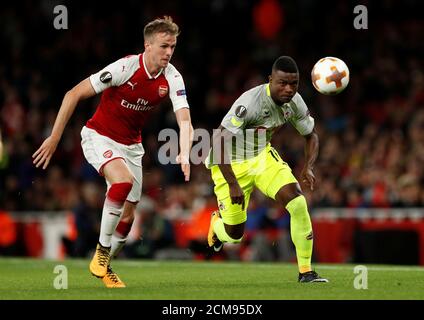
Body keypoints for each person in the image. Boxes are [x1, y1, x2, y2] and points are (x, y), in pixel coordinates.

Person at [33, 16, 193, 288]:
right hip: (99, 136)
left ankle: (105, 266)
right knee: (122, 181)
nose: (169, 52)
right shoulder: (125, 67)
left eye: (173, 47)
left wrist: (185, 150)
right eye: (164, 46)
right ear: (148, 45)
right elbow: (73, 94)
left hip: (132, 146)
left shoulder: (172, 77)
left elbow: (185, 120)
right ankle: (101, 252)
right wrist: (55, 137)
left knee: (129, 218)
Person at [205, 56, 328, 283]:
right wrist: (233, 183)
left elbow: (311, 135)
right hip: (230, 164)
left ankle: (306, 272)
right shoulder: (249, 103)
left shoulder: (296, 102)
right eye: (282, 83)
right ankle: (216, 226)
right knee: (234, 235)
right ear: (270, 80)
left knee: (298, 202)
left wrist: (309, 167)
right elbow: (218, 141)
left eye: (294, 84)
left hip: (262, 157)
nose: (288, 89)